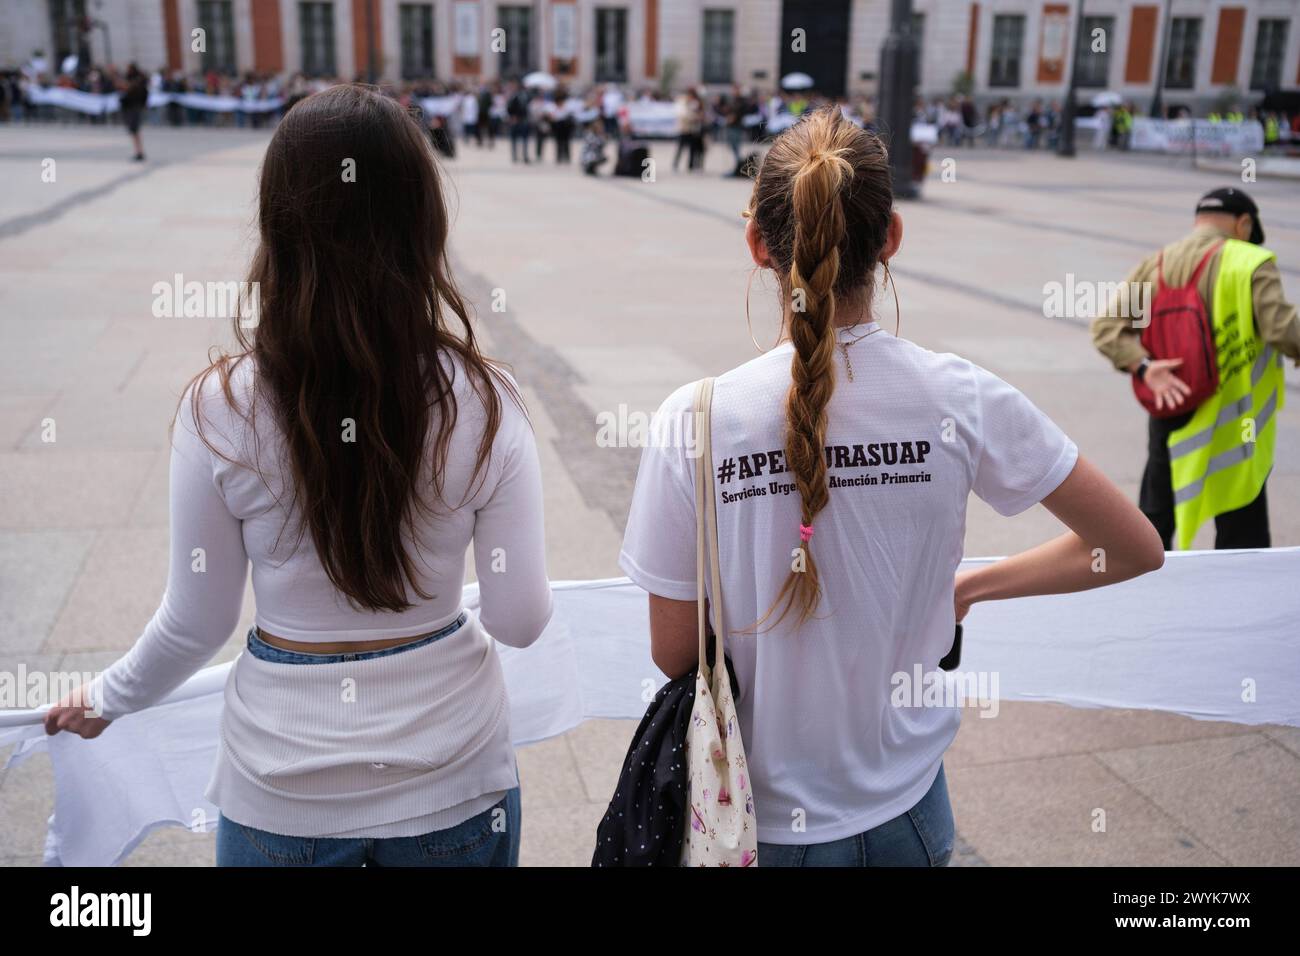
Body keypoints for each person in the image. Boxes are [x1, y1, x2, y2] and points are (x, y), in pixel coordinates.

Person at [620, 108, 1164, 868]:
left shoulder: (697, 418)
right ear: (891, 240)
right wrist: (966, 590)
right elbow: (1134, 547)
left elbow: (674, 651)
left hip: (752, 827)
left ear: (757, 246)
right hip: (907, 814)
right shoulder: (961, 398)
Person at [42, 85, 553, 867]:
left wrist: (105, 699)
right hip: (455, 787)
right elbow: (520, 619)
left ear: (279, 221)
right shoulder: (487, 399)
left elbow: (196, 621)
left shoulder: (218, 407)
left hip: (281, 795)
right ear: (424, 221)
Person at [1091, 187, 1299, 551]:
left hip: (1172, 404)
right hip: (1234, 419)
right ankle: (1238, 605)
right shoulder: (1251, 260)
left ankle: (1149, 595)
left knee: (1155, 518)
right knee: (1241, 529)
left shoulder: (1156, 263)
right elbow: (1282, 329)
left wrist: (1144, 367)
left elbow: (1106, 327)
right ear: (1244, 223)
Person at [119, 63, 149, 161]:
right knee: (134, 132)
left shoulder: (137, 82)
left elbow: (128, 89)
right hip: (133, 108)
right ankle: (138, 151)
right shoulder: (137, 80)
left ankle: (139, 152)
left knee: (134, 131)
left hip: (133, 108)